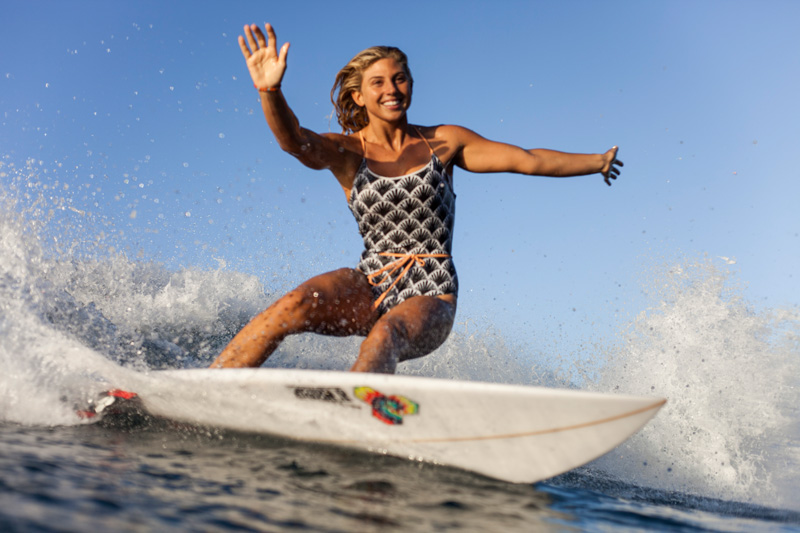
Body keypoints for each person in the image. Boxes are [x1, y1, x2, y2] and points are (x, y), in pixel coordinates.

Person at [210, 23, 623, 374]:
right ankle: (211, 387)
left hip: (432, 287)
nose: (392, 89)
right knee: (293, 305)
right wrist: (270, 91)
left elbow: (528, 160)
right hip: (370, 279)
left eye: (400, 78)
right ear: (359, 96)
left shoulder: (445, 142)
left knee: (384, 335)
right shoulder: (349, 153)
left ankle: (360, 410)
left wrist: (597, 161)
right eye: (378, 82)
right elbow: (295, 142)